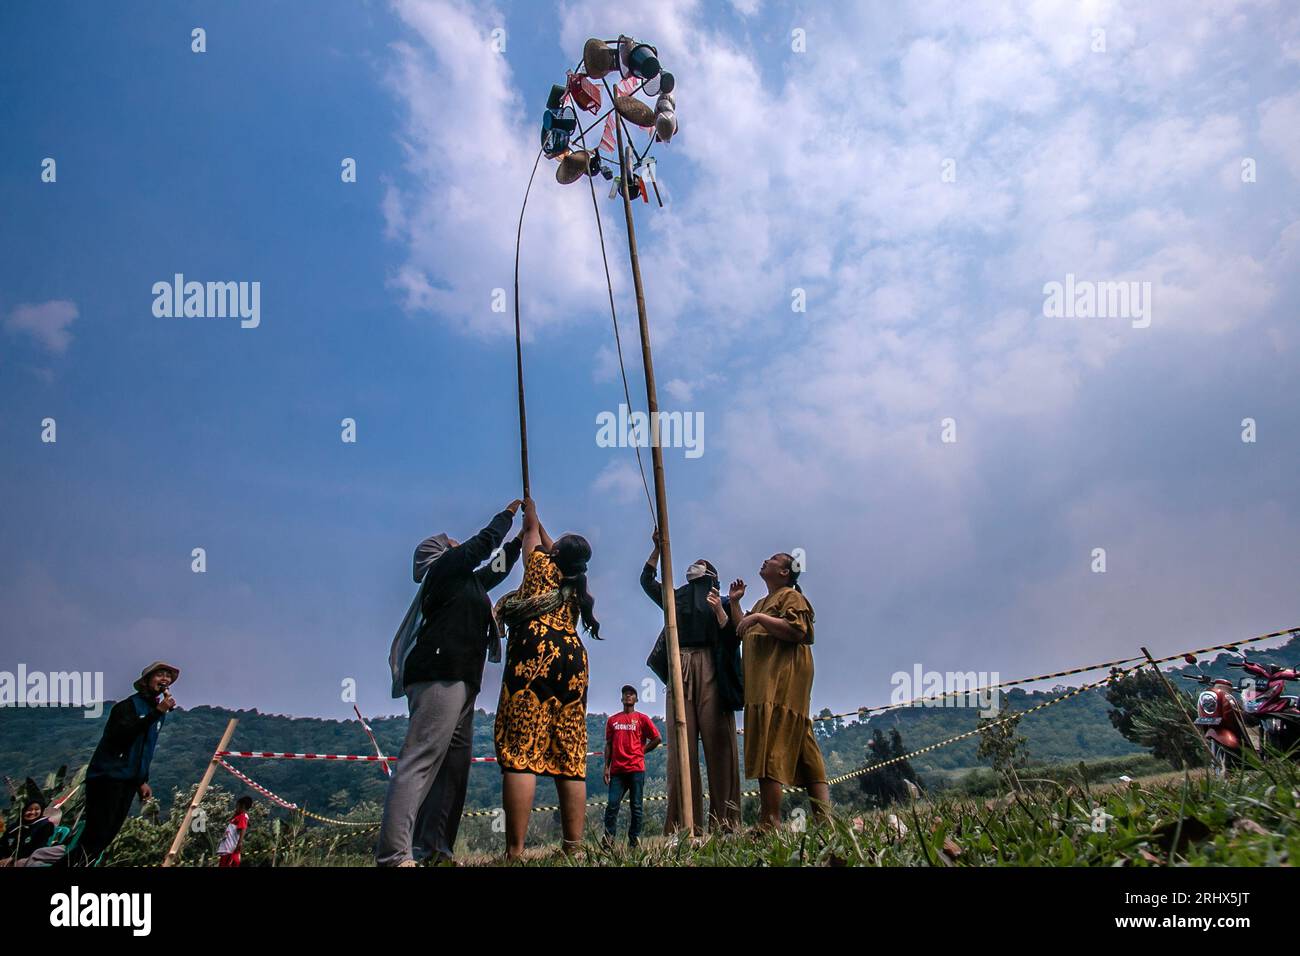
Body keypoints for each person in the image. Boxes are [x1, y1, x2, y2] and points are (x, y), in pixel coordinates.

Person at [376, 498, 524, 867]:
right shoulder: (442, 571)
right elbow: (482, 544)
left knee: (452, 768)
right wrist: (507, 515)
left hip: (462, 679)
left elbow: (497, 569)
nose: (458, 543)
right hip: (439, 674)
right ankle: (394, 855)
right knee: (421, 760)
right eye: (451, 542)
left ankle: (435, 850)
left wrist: (521, 540)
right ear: (440, 553)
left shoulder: (466, 583)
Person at [493, 498, 599, 858]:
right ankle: (573, 847)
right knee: (570, 751)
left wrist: (532, 514)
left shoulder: (539, 567)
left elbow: (533, 537)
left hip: (537, 653)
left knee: (521, 751)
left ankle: (516, 850)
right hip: (573, 657)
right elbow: (554, 547)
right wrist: (538, 523)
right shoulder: (574, 583)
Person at [641, 530, 743, 835]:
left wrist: (722, 611)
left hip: (711, 665)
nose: (692, 567)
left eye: (699, 565)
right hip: (679, 665)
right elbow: (647, 582)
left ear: (711, 575)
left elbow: (733, 637)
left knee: (719, 744)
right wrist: (657, 551)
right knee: (680, 749)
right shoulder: (675, 598)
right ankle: (683, 825)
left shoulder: (720, 601)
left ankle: (725, 822)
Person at [730, 554, 830, 829]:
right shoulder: (762, 603)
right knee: (803, 747)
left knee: (770, 741)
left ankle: (770, 820)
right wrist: (737, 604)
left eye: (773, 559)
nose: (765, 560)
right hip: (763, 684)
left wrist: (759, 618)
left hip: (782, 682)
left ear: (785, 572)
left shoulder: (791, 597)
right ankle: (824, 819)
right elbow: (744, 629)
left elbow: (799, 632)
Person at [74, 661, 179, 866]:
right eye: (160, 675)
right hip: (107, 777)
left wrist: (142, 780)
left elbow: (144, 749)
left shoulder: (156, 712)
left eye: (168, 676)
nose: (165, 679)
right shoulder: (128, 706)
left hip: (128, 780)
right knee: (95, 835)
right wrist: (157, 712)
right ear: (146, 681)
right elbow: (121, 737)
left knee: (107, 836)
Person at [602, 685, 661, 847]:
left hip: (636, 769)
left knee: (636, 807)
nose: (628, 696)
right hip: (617, 771)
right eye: (625, 694)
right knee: (612, 806)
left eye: (631, 694)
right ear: (621, 699)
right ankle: (608, 840)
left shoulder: (642, 719)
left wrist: (643, 750)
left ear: (636, 699)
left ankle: (633, 841)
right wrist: (606, 768)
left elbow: (657, 738)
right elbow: (608, 745)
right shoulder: (613, 720)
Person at [0, 782, 55, 867]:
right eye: (29, 810)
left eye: (37, 809)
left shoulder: (45, 826)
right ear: (22, 811)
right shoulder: (14, 828)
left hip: (30, 860)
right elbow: (3, 844)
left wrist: (13, 858)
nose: (32, 812)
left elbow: (36, 848)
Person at [216, 796, 253, 867]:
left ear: (242, 806)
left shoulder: (242, 816)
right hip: (227, 847)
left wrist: (240, 843)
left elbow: (243, 828)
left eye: (237, 806)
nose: (236, 808)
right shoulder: (238, 816)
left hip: (230, 848)